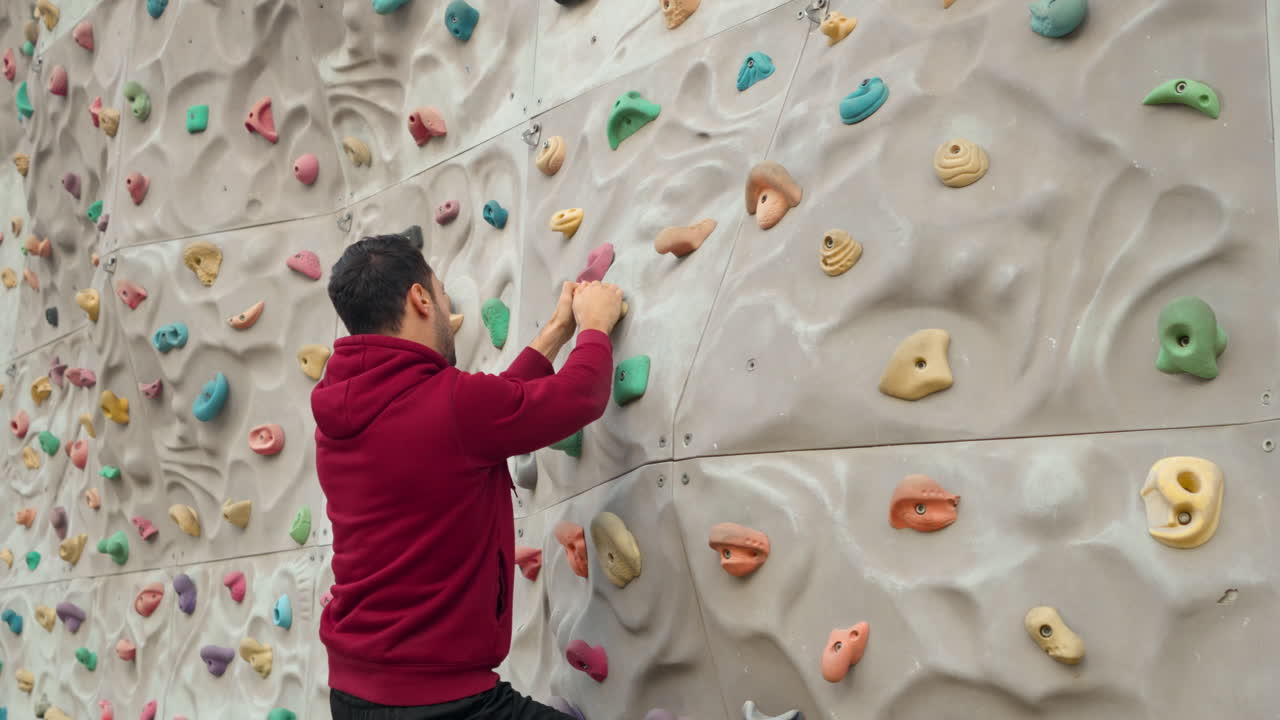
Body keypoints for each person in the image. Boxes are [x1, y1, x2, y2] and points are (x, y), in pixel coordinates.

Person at [312, 232, 624, 719]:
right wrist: (596, 326)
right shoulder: (451, 405)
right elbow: (580, 395)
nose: (446, 309)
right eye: (442, 294)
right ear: (420, 298)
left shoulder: (341, 415)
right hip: (438, 703)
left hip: (355, 694)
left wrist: (555, 333)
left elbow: (486, 415)